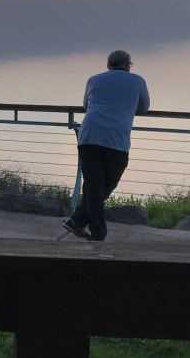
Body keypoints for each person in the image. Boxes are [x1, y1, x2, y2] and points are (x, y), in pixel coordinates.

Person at [63, 49, 150, 241]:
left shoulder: (93, 80)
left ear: (108, 65)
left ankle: (77, 221)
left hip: (89, 136)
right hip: (116, 140)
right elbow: (144, 108)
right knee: (106, 185)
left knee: (93, 186)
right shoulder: (138, 81)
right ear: (128, 65)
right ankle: (97, 233)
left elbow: (87, 105)